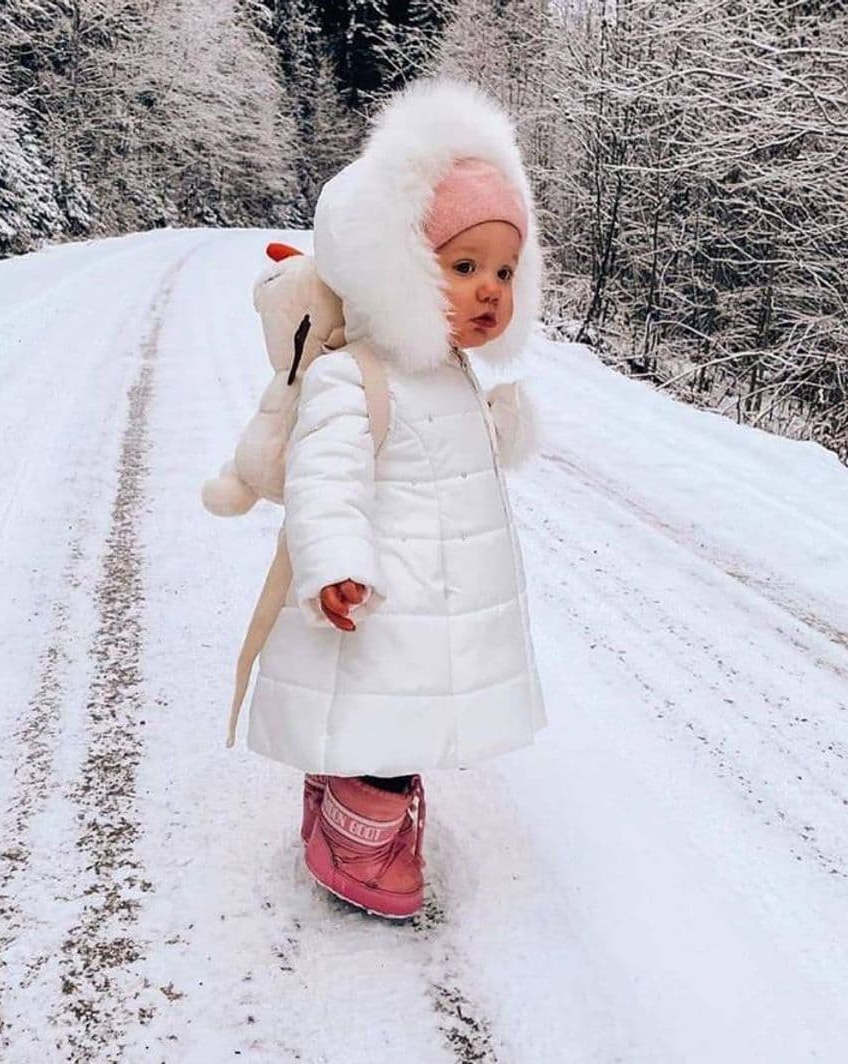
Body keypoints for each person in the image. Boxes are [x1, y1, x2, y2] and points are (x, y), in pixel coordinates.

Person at [243, 78, 548, 919]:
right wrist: (335, 564)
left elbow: (443, 459)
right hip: (375, 595)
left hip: (435, 595)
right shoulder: (354, 372)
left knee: (399, 721)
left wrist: (499, 426)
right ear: (398, 268)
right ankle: (355, 835)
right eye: (462, 266)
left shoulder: (452, 369)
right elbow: (326, 479)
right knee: (377, 720)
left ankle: (370, 801)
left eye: (503, 271)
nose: (491, 288)